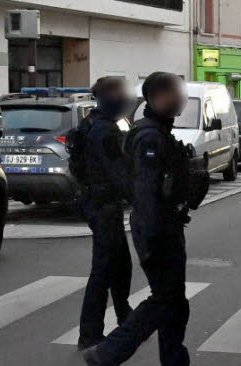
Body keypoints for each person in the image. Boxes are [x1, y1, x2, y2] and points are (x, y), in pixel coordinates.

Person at [84, 72, 193, 366]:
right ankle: (107, 352)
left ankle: (172, 360)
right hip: (157, 230)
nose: (180, 99)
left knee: (174, 303)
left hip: (163, 226)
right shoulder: (149, 137)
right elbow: (145, 192)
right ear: (158, 98)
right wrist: (155, 240)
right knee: (164, 299)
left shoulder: (159, 132)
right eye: (175, 93)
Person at [73, 77, 134, 350]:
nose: (125, 98)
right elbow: (117, 171)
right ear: (109, 96)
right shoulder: (104, 131)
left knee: (120, 264)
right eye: (121, 93)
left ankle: (125, 316)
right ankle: (89, 334)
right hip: (103, 204)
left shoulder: (91, 123)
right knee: (104, 270)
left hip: (97, 202)